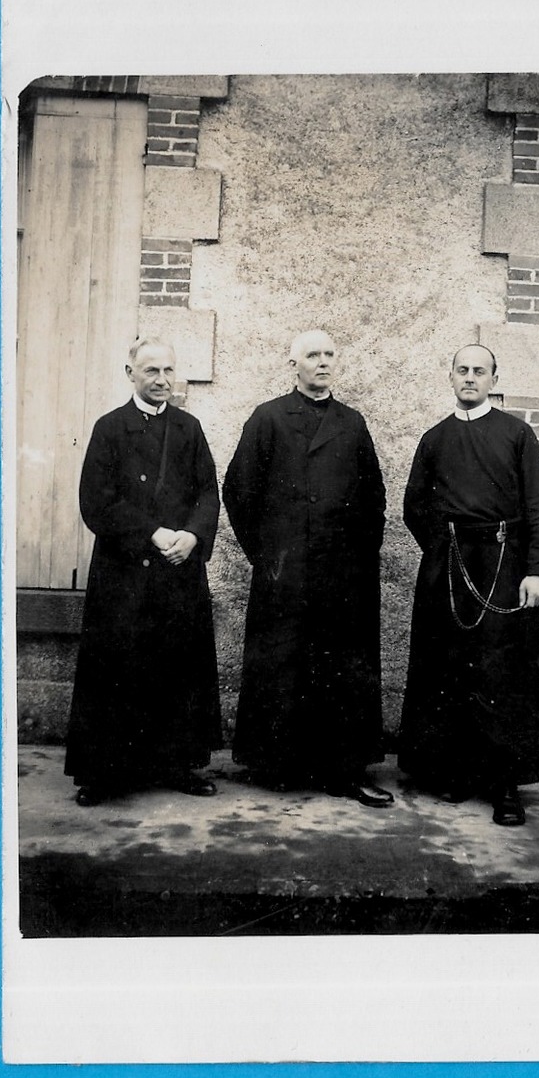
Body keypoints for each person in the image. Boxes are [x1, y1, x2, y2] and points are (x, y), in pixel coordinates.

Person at [222, 329, 393, 807]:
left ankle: (343, 770)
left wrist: (361, 557)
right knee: (284, 667)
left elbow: (373, 496)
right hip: (286, 573)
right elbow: (237, 490)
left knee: (340, 670)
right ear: (292, 364)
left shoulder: (352, 422)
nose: (322, 363)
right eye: (312, 355)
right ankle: (278, 766)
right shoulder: (268, 418)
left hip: (343, 576)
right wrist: (265, 554)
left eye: (329, 355)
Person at [397, 344, 539, 826]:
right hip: (447, 566)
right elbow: (413, 506)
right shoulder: (435, 438)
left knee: (500, 673)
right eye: (462, 370)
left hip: (506, 566)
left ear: (493, 380)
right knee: (447, 669)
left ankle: (505, 785)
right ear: (450, 377)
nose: (470, 378)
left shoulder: (516, 434)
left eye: (479, 371)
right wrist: (445, 549)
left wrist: (537, 570)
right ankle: (454, 771)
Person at [65, 340, 223, 806]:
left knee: (176, 670)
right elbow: (96, 501)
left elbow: (207, 493)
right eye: (151, 370)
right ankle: (105, 775)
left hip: (178, 571)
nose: (161, 379)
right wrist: (152, 533)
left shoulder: (189, 429)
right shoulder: (110, 428)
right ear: (129, 372)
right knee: (117, 672)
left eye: (168, 370)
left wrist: (193, 536)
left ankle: (178, 766)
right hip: (124, 574)